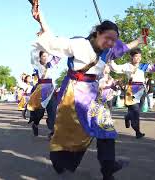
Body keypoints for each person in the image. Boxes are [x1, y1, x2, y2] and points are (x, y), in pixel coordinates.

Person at [31, 3, 144, 179]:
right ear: (97, 33)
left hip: (92, 93)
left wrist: (140, 39)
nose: (111, 43)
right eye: (108, 38)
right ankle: (59, 161)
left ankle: (108, 169)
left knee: (106, 130)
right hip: (74, 93)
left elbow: (125, 47)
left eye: (114, 40)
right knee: (73, 134)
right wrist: (40, 18)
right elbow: (53, 42)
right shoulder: (79, 44)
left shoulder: (109, 50)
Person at [110, 48, 155, 139]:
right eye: (136, 56)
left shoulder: (142, 66)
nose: (138, 58)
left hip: (141, 89)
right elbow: (115, 68)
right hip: (131, 89)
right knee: (135, 112)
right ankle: (137, 131)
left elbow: (154, 68)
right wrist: (110, 58)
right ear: (131, 57)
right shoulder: (127, 66)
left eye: (140, 56)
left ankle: (127, 117)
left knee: (136, 111)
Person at [27, 50, 60, 138]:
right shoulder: (37, 65)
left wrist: (53, 44)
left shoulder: (51, 64)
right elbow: (33, 55)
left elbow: (58, 55)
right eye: (44, 56)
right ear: (40, 57)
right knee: (39, 112)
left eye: (47, 56)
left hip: (50, 90)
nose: (46, 58)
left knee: (52, 110)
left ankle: (52, 131)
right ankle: (35, 124)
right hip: (40, 90)